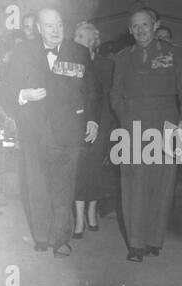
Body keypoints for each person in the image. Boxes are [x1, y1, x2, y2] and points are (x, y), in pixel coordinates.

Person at [0, 8, 100, 258]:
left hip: (67, 131)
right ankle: (42, 236)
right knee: (37, 185)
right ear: (39, 28)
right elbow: (6, 90)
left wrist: (92, 121)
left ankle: (60, 239)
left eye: (58, 25)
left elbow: (91, 91)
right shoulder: (24, 51)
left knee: (64, 187)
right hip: (34, 131)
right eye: (49, 26)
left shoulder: (79, 52)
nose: (55, 31)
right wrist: (24, 95)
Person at [110, 7, 182, 262]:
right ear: (129, 30)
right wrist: (125, 116)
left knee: (163, 183)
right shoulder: (123, 57)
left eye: (145, 25)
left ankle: (153, 239)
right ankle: (136, 244)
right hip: (133, 125)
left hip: (168, 124)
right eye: (135, 26)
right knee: (133, 183)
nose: (140, 30)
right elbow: (115, 94)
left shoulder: (173, 53)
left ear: (155, 25)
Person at [73, 21, 117, 238]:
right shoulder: (69, 64)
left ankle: (92, 210)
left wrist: (104, 128)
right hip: (75, 126)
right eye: (77, 36)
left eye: (84, 37)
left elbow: (110, 100)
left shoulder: (106, 66)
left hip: (101, 125)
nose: (79, 40)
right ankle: (79, 216)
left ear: (93, 42)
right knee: (79, 171)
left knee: (95, 171)